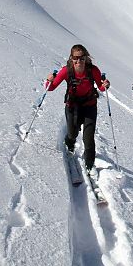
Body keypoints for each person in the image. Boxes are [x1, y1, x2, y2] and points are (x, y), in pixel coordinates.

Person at [46, 44, 110, 176]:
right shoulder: (66, 71)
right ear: (71, 58)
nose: (79, 61)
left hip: (89, 105)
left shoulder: (93, 70)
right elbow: (50, 87)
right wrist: (48, 80)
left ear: (86, 58)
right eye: (76, 58)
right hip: (72, 106)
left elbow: (101, 87)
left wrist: (105, 85)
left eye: (81, 58)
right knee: (72, 133)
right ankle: (69, 142)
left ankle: (89, 163)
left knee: (88, 137)